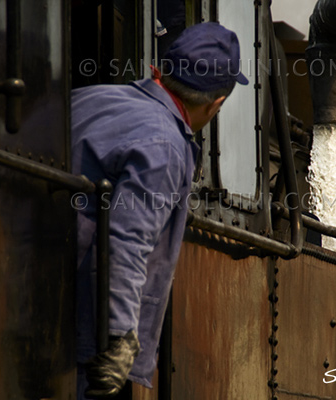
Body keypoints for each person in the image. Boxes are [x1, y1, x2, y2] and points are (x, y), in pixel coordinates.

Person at [71, 22, 248, 398]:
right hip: (81, 329)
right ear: (216, 104)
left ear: (161, 70)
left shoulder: (88, 98)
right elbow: (127, 240)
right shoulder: (165, 145)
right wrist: (116, 338)